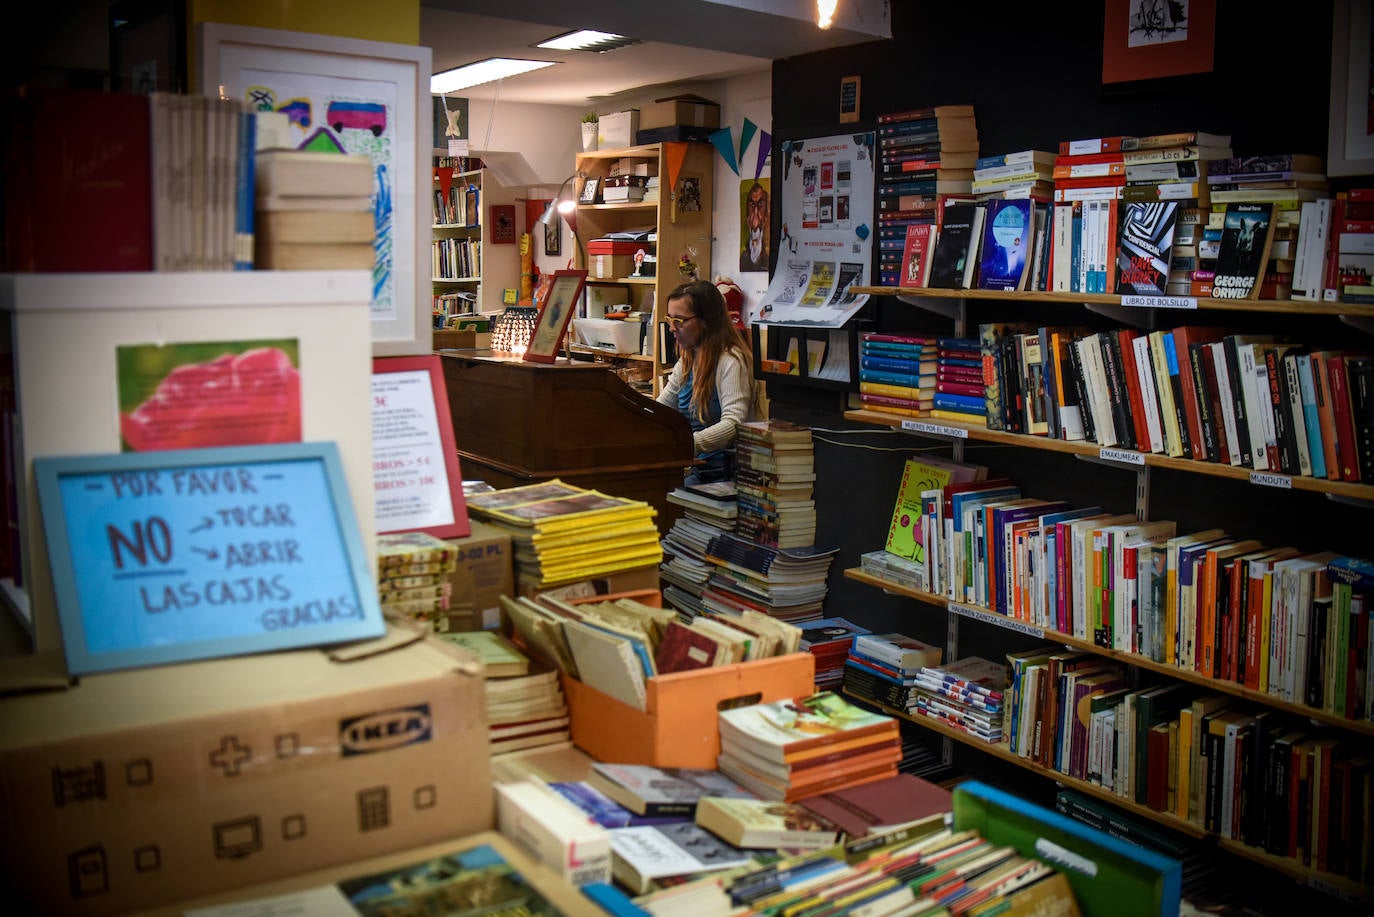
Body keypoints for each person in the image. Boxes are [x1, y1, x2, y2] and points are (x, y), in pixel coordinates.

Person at [656, 281, 756, 485]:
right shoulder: (687, 360)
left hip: (727, 476)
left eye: (680, 321)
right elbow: (659, 410)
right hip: (700, 470)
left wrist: (689, 444)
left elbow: (733, 424)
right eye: (669, 319)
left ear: (706, 321)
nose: (672, 328)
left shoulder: (730, 360)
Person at [741, 181, 770, 272]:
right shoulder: (744, 257)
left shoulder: (770, 256)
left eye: (760, 204)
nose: (756, 212)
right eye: (752, 205)